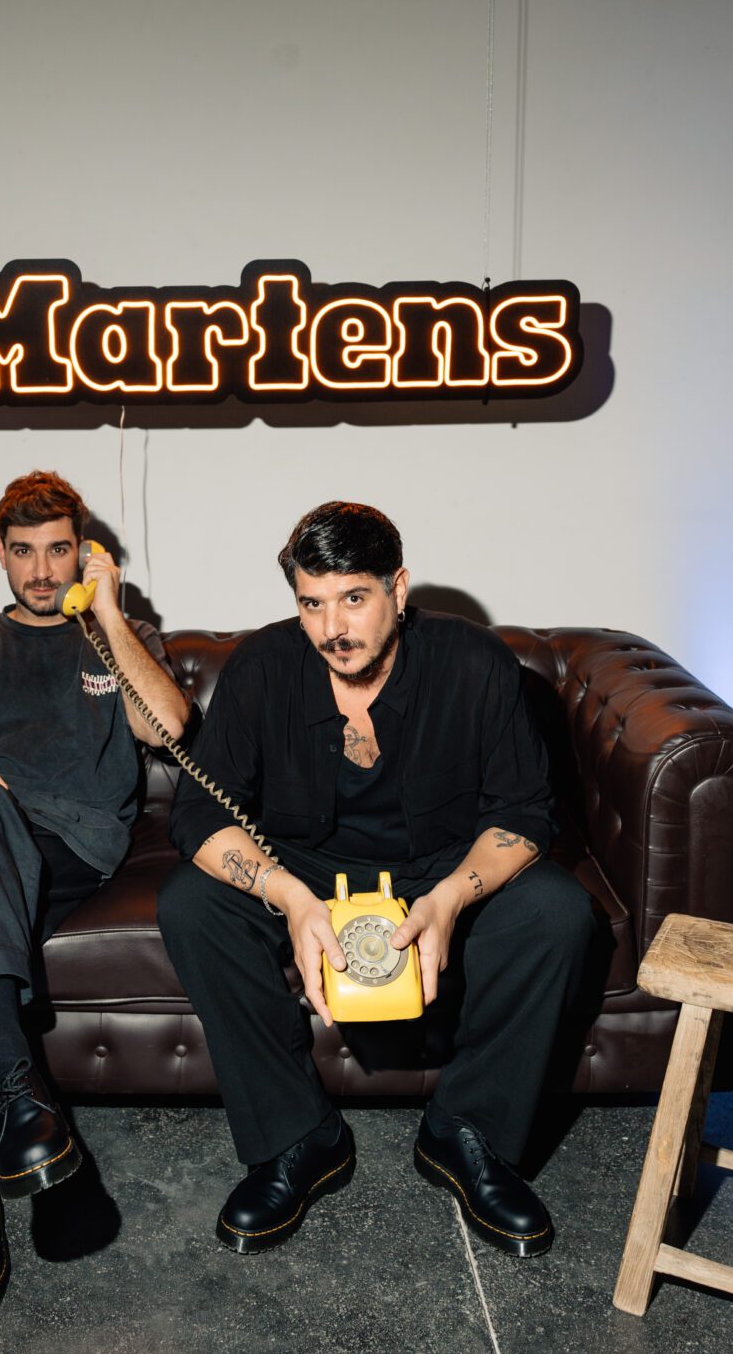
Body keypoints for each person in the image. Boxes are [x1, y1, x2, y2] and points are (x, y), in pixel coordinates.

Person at [158, 501, 595, 1259]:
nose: (333, 628)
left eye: (354, 598)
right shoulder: (263, 667)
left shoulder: (475, 663)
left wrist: (452, 897)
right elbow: (199, 813)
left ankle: (467, 1133)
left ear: (398, 587)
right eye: (312, 604)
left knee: (558, 912)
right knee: (191, 905)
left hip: (443, 867)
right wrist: (287, 895)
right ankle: (297, 1137)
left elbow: (524, 813)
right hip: (303, 869)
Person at [0, 470, 189, 1325]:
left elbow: (168, 727)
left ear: (84, 554)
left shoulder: (115, 637)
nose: (43, 571)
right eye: (25, 552)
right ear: (1, 554)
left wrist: (109, 613)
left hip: (71, 840)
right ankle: (24, 1105)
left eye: (60, 551)